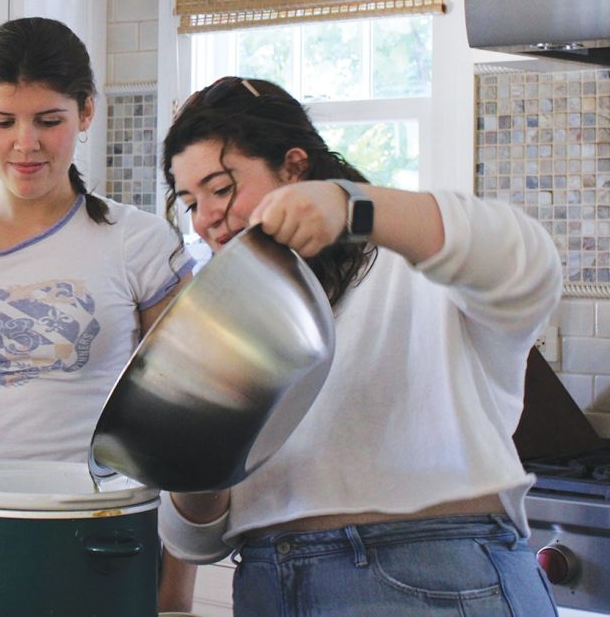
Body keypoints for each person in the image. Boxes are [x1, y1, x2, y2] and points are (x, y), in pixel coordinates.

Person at [159, 76, 562, 615]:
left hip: (432, 567)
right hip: (267, 581)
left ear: (295, 167)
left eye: (221, 187)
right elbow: (194, 541)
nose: (206, 216)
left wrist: (353, 208)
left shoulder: (413, 272)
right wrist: (197, 448)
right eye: (190, 201)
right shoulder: (227, 328)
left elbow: (526, 261)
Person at [0, 17, 198, 610]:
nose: (27, 143)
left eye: (49, 120)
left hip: (103, 532)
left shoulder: (141, 243)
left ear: (86, 113)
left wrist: (176, 592)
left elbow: (177, 429)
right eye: (4, 121)